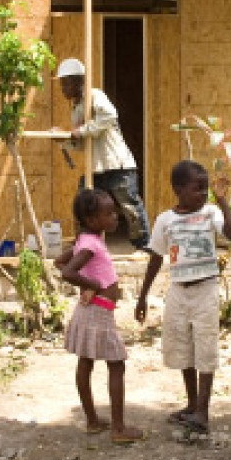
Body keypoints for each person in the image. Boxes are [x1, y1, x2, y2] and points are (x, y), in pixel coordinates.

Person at [136, 160, 231, 435]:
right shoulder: (165, 220)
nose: (203, 194)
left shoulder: (210, 213)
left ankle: (203, 413)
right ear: (178, 189)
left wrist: (223, 202)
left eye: (206, 189)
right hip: (178, 292)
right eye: (198, 189)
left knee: (205, 348)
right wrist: (142, 296)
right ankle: (193, 405)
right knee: (183, 348)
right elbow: (156, 258)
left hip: (205, 290)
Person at [56, 188, 146, 444]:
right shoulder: (90, 244)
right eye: (109, 213)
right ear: (92, 220)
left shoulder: (85, 240)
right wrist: (92, 284)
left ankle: (93, 420)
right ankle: (118, 428)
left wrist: (86, 284)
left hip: (90, 309)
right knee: (116, 364)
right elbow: (67, 272)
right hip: (98, 310)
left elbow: (60, 263)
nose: (115, 216)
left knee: (86, 362)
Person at [53, 57, 151, 250]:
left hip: (117, 165)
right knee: (83, 204)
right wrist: (64, 139)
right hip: (97, 168)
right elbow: (83, 143)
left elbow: (109, 116)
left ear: (77, 81)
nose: (63, 89)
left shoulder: (94, 95)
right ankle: (84, 243)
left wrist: (79, 132)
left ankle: (143, 246)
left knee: (130, 206)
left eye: (65, 84)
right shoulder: (76, 109)